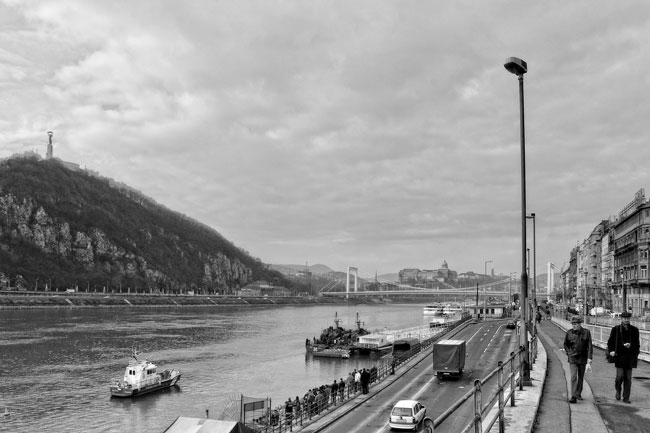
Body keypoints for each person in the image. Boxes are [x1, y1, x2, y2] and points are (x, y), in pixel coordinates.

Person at [607, 311, 640, 403]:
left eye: (627, 318)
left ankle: (626, 397)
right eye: (624, 318)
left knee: (628, 379)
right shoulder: (616, 329)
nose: (626, 320)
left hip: (630, 358)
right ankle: (618, 390)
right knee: (619, 377)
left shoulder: (634, 330)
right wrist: (611, 351)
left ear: (630, 319)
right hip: (619, 357)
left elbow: (637, 345)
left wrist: (632, 347)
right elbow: (610, 342)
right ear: (621, 319)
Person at [563, 315, 593, 403]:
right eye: (573, 324)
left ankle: (578, 393)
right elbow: (566, 344)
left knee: (581, 377)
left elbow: (589, 346)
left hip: (583, 358)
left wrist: (589, 358)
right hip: (572, 358)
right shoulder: (569, 333)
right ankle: (573, 396)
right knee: (573, 377)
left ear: (580, 324)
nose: (574, 326)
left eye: (575, 324)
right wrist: (569, 353)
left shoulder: (586, 332)